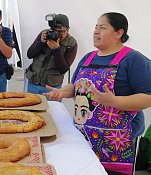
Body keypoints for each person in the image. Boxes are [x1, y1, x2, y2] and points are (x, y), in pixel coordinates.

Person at [44, 12, 151, 175]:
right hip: (83, 142)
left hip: (115, 147)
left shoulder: (133, 59)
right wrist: (62, 93)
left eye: (102, 28)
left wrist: (114, 101)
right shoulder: (88, 58)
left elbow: (148, 98)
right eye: (95, 27)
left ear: (119, 33)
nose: (95, 31)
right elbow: (75, 86)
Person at [26, 13, 77, 98]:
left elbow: (63, 69)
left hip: (52, 88)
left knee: (51, 111)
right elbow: (29, 54)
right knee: (31, 109)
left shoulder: (71, 43)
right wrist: (41, 43)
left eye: (60, 32)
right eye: (54, 31)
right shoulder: (45, 34)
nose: (56, 34)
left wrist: (56, 49)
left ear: (68, 29)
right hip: (33, 83)